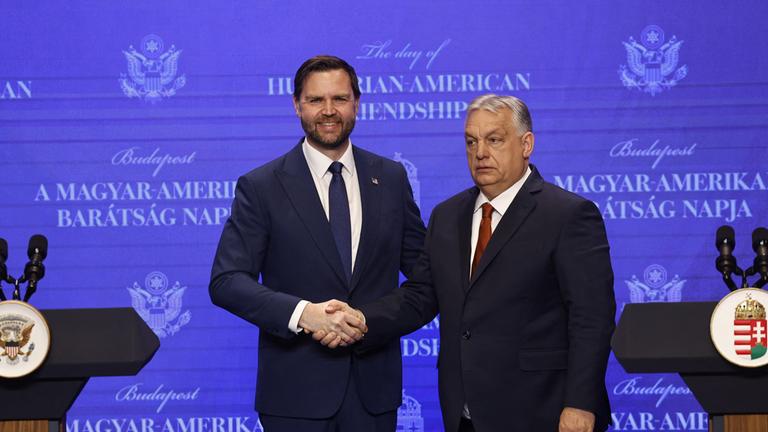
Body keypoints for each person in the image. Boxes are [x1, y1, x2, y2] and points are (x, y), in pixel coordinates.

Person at [320, 94, 616, 432]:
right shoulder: (447, 216)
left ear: (526, 144)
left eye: (494, 140)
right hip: (465, 413)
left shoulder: (568, 215)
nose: (480, 153)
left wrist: (580, 403)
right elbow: (420, 296)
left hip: (544, 411)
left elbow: (592, 318)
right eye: (471, 142)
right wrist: (360, 319)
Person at [209, 55, 426, 432]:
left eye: (340, 99)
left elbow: (426, 280)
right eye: (315, 100)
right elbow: (227, 281)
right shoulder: (261, 186)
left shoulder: (391, 178)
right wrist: (304, 314)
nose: (328, 111)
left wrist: (366, 321)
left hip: (373, 396)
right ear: (297, 105)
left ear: (357, 103)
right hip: (294, 398)